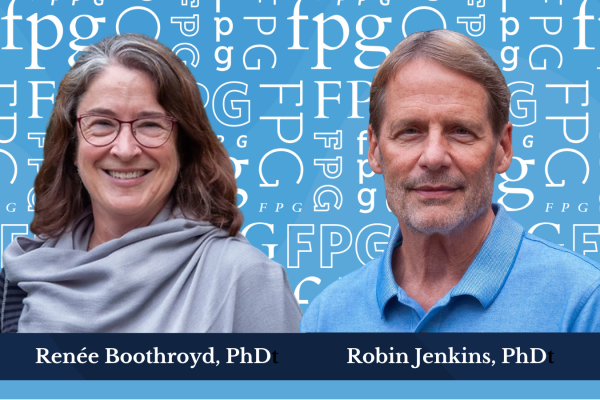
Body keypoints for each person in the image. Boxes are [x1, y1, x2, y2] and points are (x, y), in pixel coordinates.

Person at [301, 30, 600, 332]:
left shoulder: (583, 304)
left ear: (503, 149)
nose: (433, 157)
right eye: (409, 131)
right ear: (375, 149)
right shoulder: (327, 320)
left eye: (460, 131)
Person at [0, 33, 301, 333]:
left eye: (150, 125)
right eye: (103, 123)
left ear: (184, 147)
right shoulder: (21, 282)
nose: (126, 149)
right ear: (72, 147)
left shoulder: (245, 279)